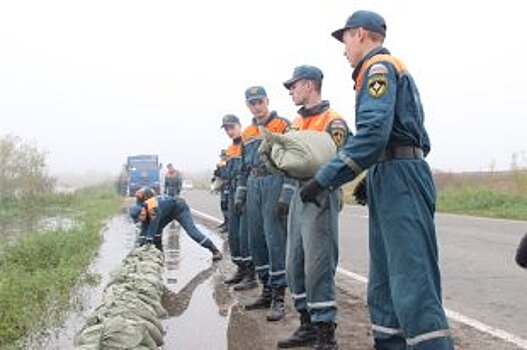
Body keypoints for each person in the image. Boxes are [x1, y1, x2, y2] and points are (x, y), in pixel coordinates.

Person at [300, 11, 454, 349]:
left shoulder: (378, 68)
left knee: (413, 281)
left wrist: (326, 178)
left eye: (345, 40)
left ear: (360, 35)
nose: (343, 49)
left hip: (401, 179)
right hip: (391, 174)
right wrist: (375, 173)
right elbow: (408, 135)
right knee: (383, 284)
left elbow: (372, 132)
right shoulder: (381, 71)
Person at [277, 66, 350, 349]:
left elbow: (343, 158)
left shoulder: (334, 121)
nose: (291, 91)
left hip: (320, 193)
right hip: (298, 192)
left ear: (308, 85)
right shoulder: (295, 122)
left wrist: (321, 184)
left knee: (318, 264)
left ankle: (325, 334)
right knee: (294, 262)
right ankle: (306, 325)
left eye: (293, 86)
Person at [234, 86, 293, 321]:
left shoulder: (283, 125)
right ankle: (266, 290)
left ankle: (279, 297)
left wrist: (286, 193)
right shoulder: (247, 133)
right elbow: (243, 167)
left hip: (274, 180)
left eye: (260, 101)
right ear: (247, 105)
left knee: (274, 239)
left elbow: (291, 160)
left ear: (267, 100)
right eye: (252, 103)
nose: (257, 106)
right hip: (253, 184)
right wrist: (240, 194)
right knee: (255, 239)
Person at [130, 187, 222, 261]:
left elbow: (152, 226)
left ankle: (215, 250)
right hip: (167, 211)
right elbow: (144, 228)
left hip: (179, 208)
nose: (141, 220)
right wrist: (139, 246)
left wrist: (148, 241)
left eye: (140, 218)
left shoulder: (153, 209)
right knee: (156, 230)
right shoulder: (141, 207)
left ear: (142, 212)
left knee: (192, 232)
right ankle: (159, 254)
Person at [220, 114, 256, 287]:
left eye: (232, 127)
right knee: (233, 234)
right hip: (233, 191)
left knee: (245, 235)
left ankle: (251, 274)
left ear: (239, 125)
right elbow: (229, 173)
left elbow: (248, 169)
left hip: (246, 191)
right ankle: (240, 269)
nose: (229, 131)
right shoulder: (229, 149)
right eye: (226, 128)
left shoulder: (247, 142)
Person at [213, 150, 230, 232]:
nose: (223, 157)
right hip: (223, 187)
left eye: (224, 156)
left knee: (227, 206)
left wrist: (222, 167)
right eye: (222, 156)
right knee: (223, 205)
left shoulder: (230, 163)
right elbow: (218, 175)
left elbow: (227, 175)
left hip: (228, 187)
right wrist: (217, 170)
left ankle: (228, 225)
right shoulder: (220, 164)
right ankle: (225, 221)